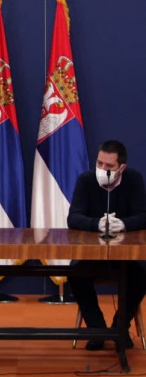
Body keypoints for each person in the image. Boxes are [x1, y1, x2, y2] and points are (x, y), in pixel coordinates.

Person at [67, 140, 146, 351]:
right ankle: (97, 329)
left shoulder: (134, 179)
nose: (102, 169)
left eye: (109, 166)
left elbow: (143, 215)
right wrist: (97, 224)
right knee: (75, 273)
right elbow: (73, 218)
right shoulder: (86, 180)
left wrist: (124, 224)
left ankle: (120, 327)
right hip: (92, 255)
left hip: (124, 256)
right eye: (99, 163)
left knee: (141, 273)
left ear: (121, 168)